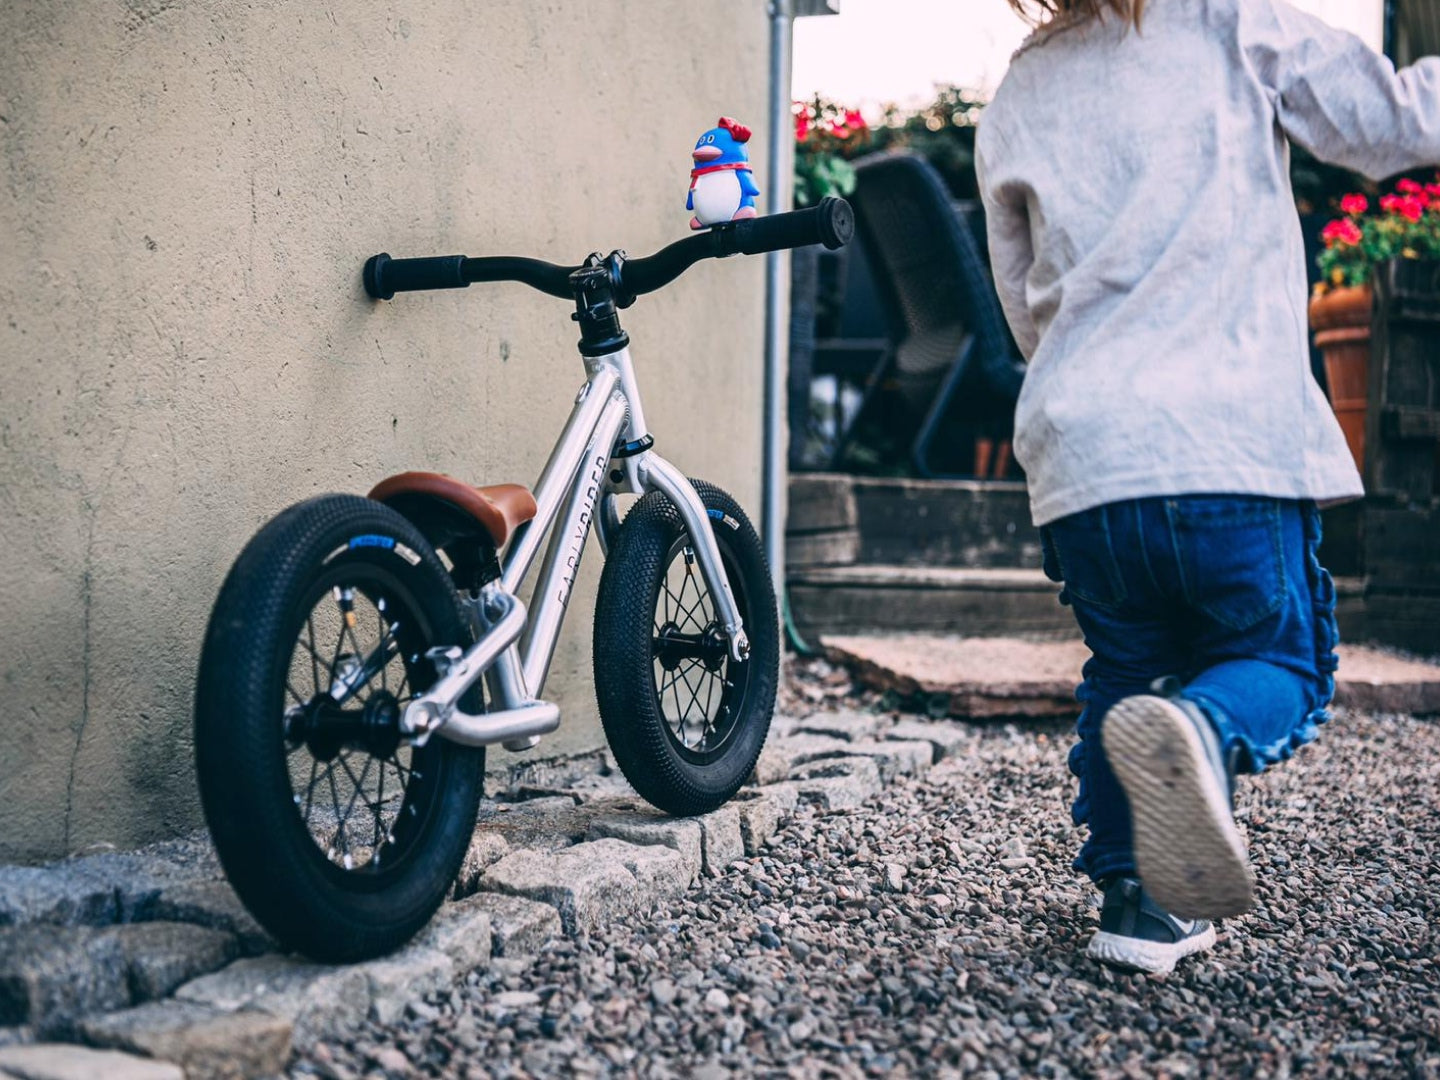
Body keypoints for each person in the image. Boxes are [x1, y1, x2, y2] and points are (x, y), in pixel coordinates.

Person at [975, 0, 1440, 975]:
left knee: (1124, 670)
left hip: (1085, 453)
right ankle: (1202, 725)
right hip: (1223, 437)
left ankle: (1139, 909)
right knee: (1279, 661)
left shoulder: (1021, 85)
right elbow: (1396, 125)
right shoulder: (1233, 23)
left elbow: (1021, 297)